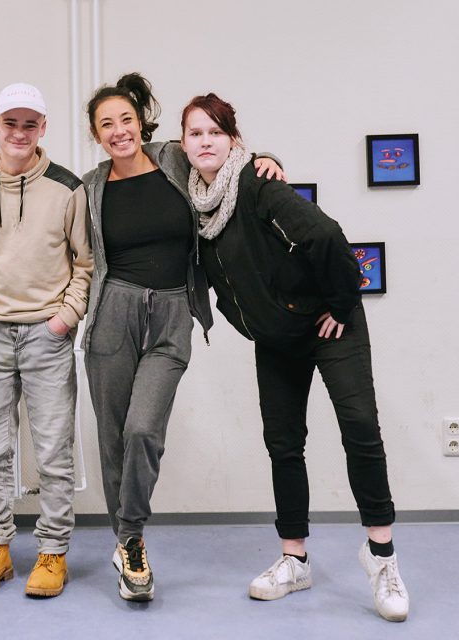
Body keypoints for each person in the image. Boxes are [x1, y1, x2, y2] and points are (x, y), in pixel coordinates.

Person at [180, 92, 409, 622]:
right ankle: (294, 559)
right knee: (284, 444)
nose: (205, 141)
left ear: (235, 140)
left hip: (330, 326)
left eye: (216, 132)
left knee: (360, 428)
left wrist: (342, 304)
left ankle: (382, 558)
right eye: (196, 133)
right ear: (185, 143)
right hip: (276, 336)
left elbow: (325, 235)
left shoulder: (258, 185)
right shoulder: (194, 200)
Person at [80, 73, 284, 602]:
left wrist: (267, 159)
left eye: (126, 119)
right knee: (112, 436)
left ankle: (130, 527)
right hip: (112, 315)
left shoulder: (173, 158)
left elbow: (219, 151)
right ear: (95, 134)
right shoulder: (90, 186)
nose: (119, 130)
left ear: (140, 121)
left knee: (143, 429)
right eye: (107, 124)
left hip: (172, 312)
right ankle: (130, 545)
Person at [0, 83, 93, 598]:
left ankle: (52, 552)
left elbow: (86, 263)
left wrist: (65, 317)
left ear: (43, 129)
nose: (19, 132)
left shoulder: (68, 188)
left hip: (47, 335)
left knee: (53, 450)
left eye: (29, 123)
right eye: (10, 122)